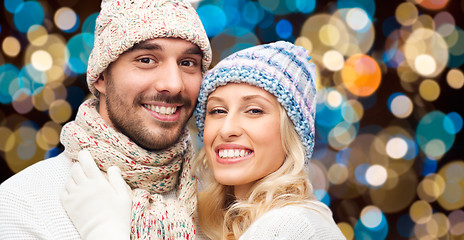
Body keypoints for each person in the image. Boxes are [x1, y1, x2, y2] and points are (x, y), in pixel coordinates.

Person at [61, 41, 346, 239]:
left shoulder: (289, 225)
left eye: (254, 110)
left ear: (291, 132)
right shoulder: (227, 222)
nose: (227, 129)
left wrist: (105, 231)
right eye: (217, 111)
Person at [0, 0, 212, 239]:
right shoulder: (23, 204)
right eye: (146, 60)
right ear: (100, 76)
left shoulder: (221, 201)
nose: (174, 84)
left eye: (187, 63)